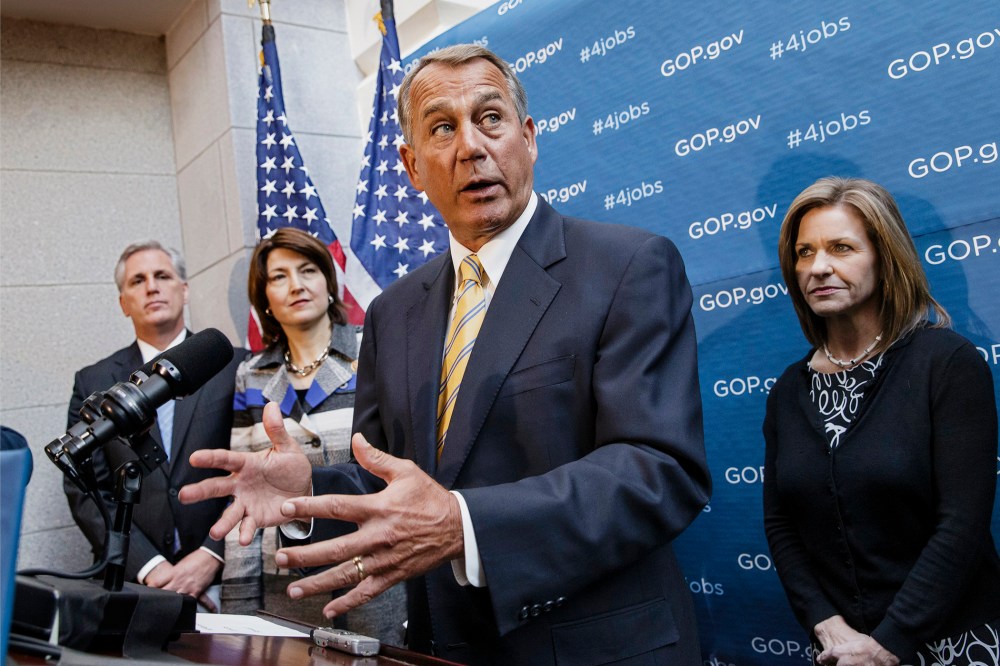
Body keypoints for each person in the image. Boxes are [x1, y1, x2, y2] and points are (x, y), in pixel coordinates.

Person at [182, 44, 710, 663]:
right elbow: (387, 479)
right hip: (439, 650)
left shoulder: (627, 266)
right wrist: (306, 489)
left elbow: (659, 470)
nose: (471, 147)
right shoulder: (392, 311)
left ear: (529, 137)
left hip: (596, 648)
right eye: (441, 128)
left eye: (490, 118)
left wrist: (465, 525)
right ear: (411, 166)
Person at [763, 177, 1000, 666]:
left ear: (884, 257)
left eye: (841, 248)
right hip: (841, 651)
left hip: (956, 646)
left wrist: (888, 643)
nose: (818, 267)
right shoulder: (789, 390)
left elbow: (962, 525)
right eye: (804, 253)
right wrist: (825, 624)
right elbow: (781, 524)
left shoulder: (946, 362)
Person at [223, 227, 405, 642]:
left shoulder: (373, 349)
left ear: (328, 281)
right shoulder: (250, 375)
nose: (296, 285)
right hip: (284, 585)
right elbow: (244, 497)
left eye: (307, 270)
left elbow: (400, 470)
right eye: (279, 276)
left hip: (374, 573)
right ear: (264, 298)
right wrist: (236, 612)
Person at [64, 241, 244, 611]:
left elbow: (256, 473)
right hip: (138, 587)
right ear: (123, 302)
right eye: (138, 280)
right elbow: (87, 490)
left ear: (184, 289)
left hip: (226, 582)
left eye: (162, 276)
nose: (152, 287)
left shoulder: (234, 366)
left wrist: (212, 556)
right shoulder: (93, 381)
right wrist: (150, 567)